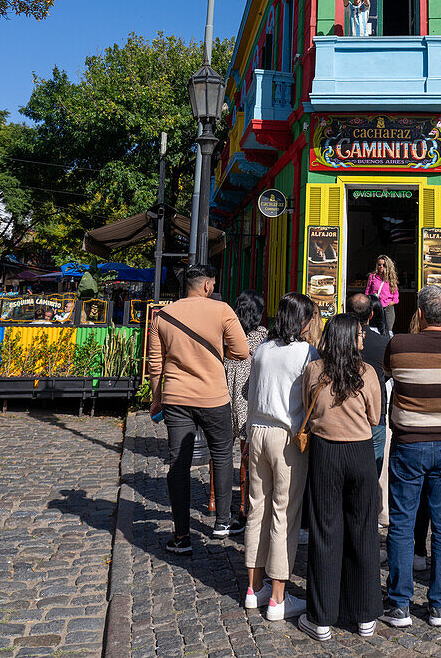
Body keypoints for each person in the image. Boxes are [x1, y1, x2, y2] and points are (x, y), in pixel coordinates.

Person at [382, 285, 441, 630]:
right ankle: (439, 606)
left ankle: (400, 604)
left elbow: (390, 376)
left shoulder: (399, 345)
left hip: (408, 442)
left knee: (403, 522)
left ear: (419, 314)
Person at [148, 263, 249, 553]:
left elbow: (156, 365)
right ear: (207, 285)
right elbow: (241, 352)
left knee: (178, 462)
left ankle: (181, 536)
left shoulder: (163, 316)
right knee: (220, 454)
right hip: (214, 397)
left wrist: (157, 398)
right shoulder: (222, 311)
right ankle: (222, 523)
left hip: (177, 398)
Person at [298, 314, 382, 641]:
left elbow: (307, 404)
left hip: (325, 453)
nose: (363, 339)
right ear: (351, 339)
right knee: (363, 530)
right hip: (360, 453)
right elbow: (375, 416)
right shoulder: (367, 373)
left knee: (325, 531)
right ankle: (365, 615)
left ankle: (321, 618)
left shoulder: (314, 370)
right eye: (360, 335)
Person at [244, 293, 319, 620]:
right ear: (302, 320)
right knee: (284, 514)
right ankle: (277, 597)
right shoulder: (306, 352)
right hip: (287, 436)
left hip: (256, 431)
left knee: (256, 508)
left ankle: (253, 587)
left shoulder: (262, 349)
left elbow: (249, 391)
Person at [225, 290, 268, 525]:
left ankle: (213, 501)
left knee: (220, 449)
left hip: (223, 393)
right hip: (247, 397)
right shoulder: (262, 337)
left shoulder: (227, 334)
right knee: (246, 451)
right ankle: (243, 505)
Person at [346, 293, 389, 476]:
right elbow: (388, 374)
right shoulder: (384, 342)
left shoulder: (337, 341)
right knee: (372, 474)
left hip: (343, 410)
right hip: (375, 412)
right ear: (371, 315)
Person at [365, 255, 399, 333]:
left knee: (388, 330)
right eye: (379, 264)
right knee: (374, 329)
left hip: (387, 308)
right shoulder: (372, 277)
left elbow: (396, 295)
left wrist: (392, 302)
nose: (381, 267)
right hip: (375, 307)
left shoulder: (391, 278)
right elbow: (367, 291)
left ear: (388, 266)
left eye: (384, 265)